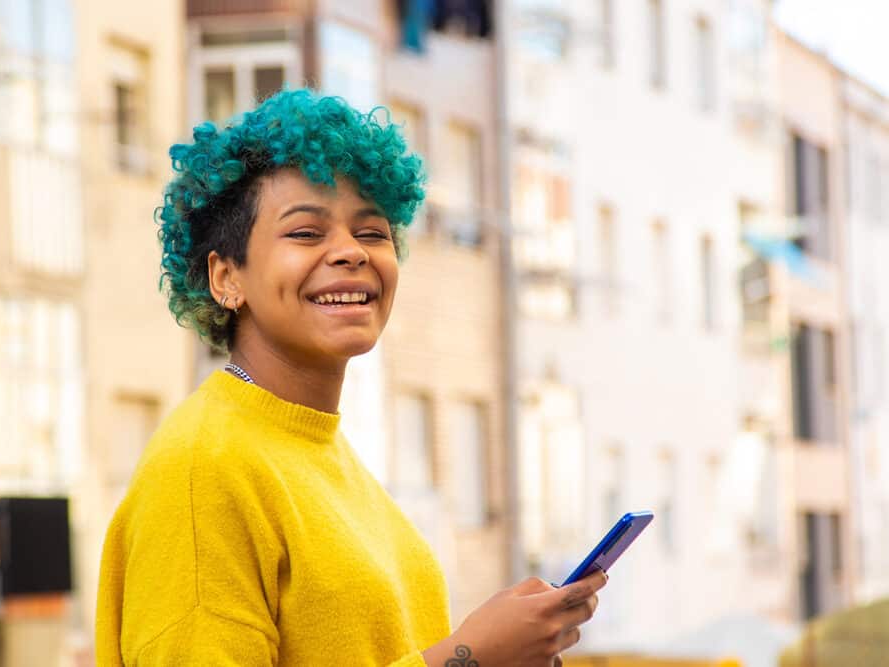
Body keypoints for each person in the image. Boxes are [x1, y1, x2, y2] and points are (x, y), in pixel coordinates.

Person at [94, 88, 607, 666]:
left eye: (371, 232)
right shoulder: (202, 469)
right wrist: (470, 656)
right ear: (225, 277)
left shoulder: (323, 454)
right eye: (306, 233)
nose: (350, 252)